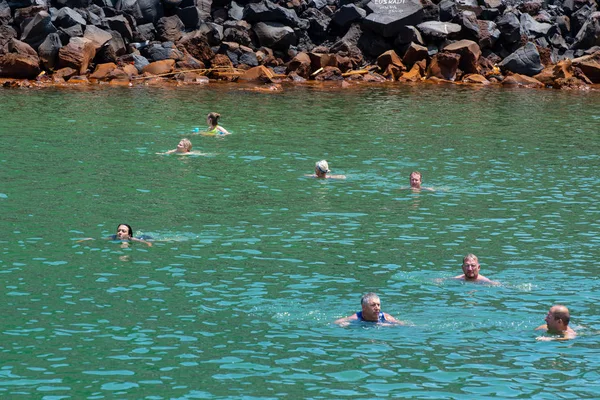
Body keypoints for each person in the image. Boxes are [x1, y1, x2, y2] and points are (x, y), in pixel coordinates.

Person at [335, 292, 404, 326]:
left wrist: (391, 325)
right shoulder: (356, 317)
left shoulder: (386, 318)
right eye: (373, 305)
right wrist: (345, 324)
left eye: (378, 305)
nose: (377, 308)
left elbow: (403, 324)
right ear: (364, 307)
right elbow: (336, 322)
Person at [78, 224, 153, 246]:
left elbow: (146, 242)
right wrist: (87, 239)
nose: (120, 232)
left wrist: (148, 244)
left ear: (129, 234)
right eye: (119, 230)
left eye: (123, 231)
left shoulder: (131, 239)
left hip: (145, 237)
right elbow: (98, 239)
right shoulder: (113, 237)